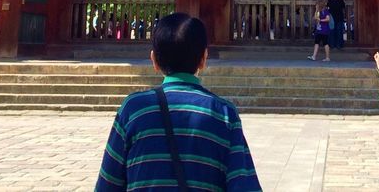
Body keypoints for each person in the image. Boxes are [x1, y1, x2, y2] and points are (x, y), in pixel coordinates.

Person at [96, 12, 260, 191]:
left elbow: (108, 184)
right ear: (203, 59)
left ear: (154, 60)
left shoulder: (134, 109)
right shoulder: (224, 114)